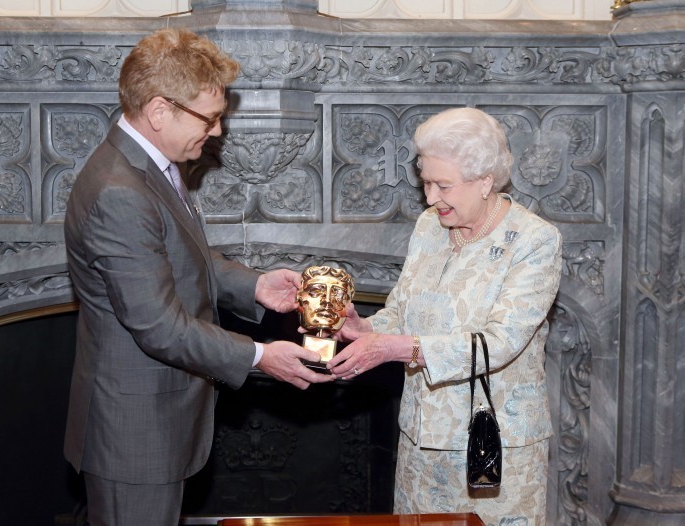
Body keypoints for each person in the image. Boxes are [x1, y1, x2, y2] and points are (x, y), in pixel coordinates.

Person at [63, 28, 332, 526]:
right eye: (209, 118)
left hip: (154, 422)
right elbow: (159, 326)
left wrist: (251, 285)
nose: (217, 132)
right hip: (135, 436)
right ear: (161, 111)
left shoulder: (146, 167)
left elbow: (178, 254)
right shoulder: (119, 192)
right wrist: (259, 355)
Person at [326, 107, 562, 526]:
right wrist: (363, 329)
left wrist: (396, 348)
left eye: (444, 185)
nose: (431, 198)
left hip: (491, 450)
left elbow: (500, 342)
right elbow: (403, 309)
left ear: (485, 180)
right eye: (426, 183)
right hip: (421, 445)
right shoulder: (429, 226)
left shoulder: (533, 241)